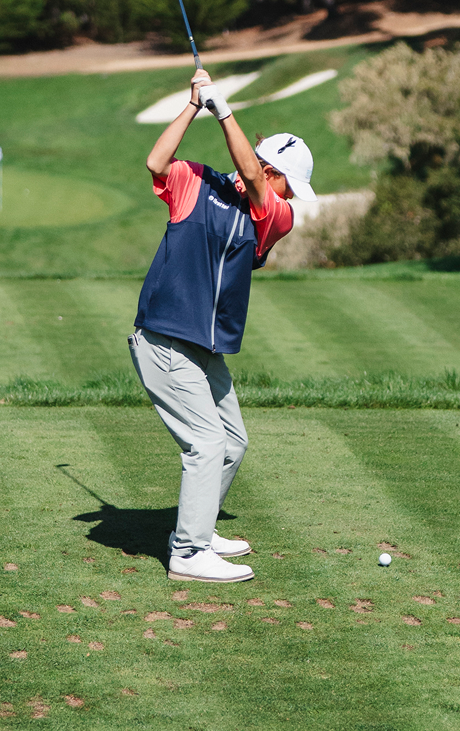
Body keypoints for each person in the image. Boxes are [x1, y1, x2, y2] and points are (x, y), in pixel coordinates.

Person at [128, 68, 316, 583]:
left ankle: (201, 528)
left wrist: (223, 107)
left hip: (203, 347)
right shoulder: (195, 182)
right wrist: (195, 105)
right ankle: (188, 554)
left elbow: (253, 180)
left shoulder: (275, 216)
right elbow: (155, 161)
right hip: (166, 339)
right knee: (207, 444)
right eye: (291, 185)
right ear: (276, 171)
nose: (292, 197)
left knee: (232, 441)